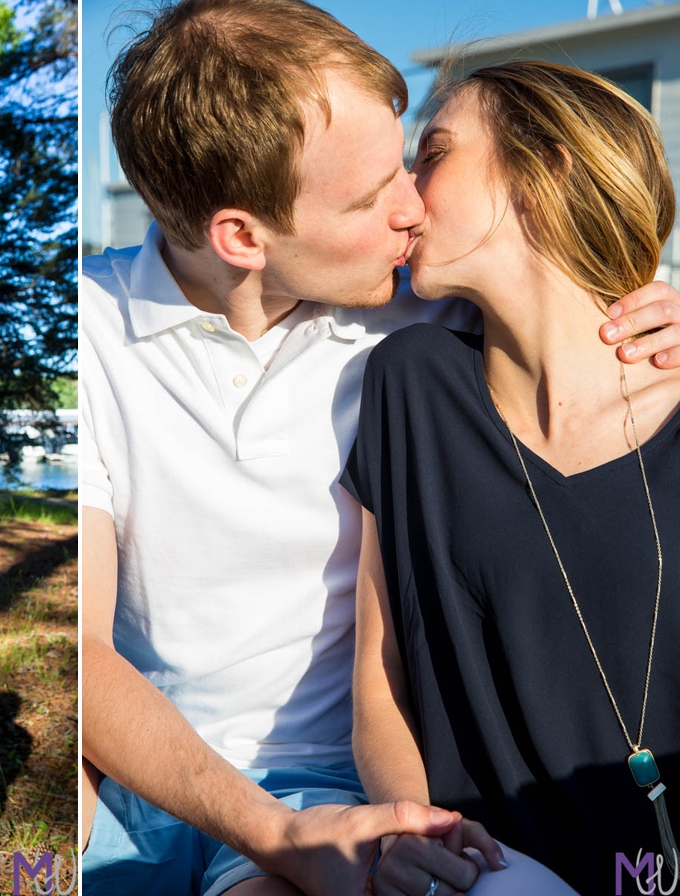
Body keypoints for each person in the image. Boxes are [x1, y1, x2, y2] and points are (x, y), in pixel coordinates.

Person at [79, 1, 680, 894]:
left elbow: (559, 282)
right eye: (370, 197)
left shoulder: (421, 309)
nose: (412, 208)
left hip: (326, 786)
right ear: (242, 237)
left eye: (416, 160)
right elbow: (81, 647)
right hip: (149, 765)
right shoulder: (92, 329)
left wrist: (661, 298)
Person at [345, 60, 680, 896]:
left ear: (544, 171)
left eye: (435, 152)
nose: (408, 194)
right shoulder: (410, 385)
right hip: (485, 877)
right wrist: (410, 833)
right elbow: (380, 680)